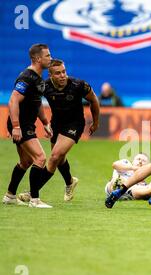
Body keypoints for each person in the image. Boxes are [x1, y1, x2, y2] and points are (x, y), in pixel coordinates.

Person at [18, 59, 100, 204]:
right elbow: (34, 102)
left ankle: (32, 193)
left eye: (64, 72)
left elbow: (94, 100)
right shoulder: (44, 86)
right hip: (57, 124)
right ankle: (70, 182)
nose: (62, 75)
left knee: (54, 157)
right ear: (50, 75)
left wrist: (96, 122)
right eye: (58, 73)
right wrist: (43, 123)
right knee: (60, 158)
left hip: (75, 124)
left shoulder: (78, 85)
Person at [2, 43, 53, 208]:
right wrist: (16, 126)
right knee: (40, 158)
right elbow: (13, 99)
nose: (50, 58)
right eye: (47, 56)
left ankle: (10, 196)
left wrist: (45, 123)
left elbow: (37, 103)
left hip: (26, 124)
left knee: (25, 161)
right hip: (22, 125)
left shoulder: (38, 79)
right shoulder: (27, 77)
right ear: (38, 59)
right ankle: (34, 200)